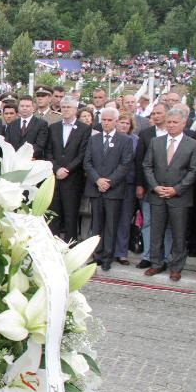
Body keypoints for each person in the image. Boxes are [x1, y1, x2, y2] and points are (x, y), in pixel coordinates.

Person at [142, 108, 196, 281]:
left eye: (175, 122)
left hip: (180, 197)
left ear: (184, 123)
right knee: (156, 231)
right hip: (157, 195)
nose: (171, 125)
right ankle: (156, 263)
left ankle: (176, 267)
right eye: (169, 122)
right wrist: (155, 187)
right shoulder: (156, 142)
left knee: (179, 233)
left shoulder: (193, 144)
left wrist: (176, 189)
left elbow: (194, 170)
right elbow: (147, 166)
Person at [83, 107, 134, 271]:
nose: (105, 122)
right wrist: (97, 180)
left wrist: (109, 182)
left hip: (114, 190)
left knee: (111, 225)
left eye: (109, 120)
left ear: (116, 121)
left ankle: (107, 257)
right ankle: (97, 255)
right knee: (96, 224)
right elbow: (87, 162)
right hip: (96, 187)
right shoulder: (94, 139)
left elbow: (125, 164)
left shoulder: (125, 140)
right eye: (103, 120)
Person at [46, 96, 91, 242]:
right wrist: (57, 169)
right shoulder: (53, 128)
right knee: (54, 214)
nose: (65, 110)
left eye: (69, 107)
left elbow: (82, 154)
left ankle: (70, 245)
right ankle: (53, 244)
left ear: (75, 110)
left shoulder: (84, 129)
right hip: (55, 178)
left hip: (72, 179)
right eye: (63, 107)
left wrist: (67, 170)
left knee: (71, 215)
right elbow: (48, 152)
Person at [135, 103, 172, 269]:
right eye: (153, 114)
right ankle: (148, 256)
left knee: (169, 225)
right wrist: (140, 185)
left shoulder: (177, 133)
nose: (156, 116)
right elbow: (140, 162)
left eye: (159, 113)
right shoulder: (146, 134)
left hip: (172, 189)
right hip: (151, 187)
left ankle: (164, 257)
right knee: (148, 222)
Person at [113, 114, 140, 265]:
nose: (124, 126)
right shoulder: (111, 138)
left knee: (125, 219)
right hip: (112, 184)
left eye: (127, 123)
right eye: (121, 122)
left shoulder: (135, 140)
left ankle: (121, 252)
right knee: (110, 219)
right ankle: (107, 249)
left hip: (128, 184)